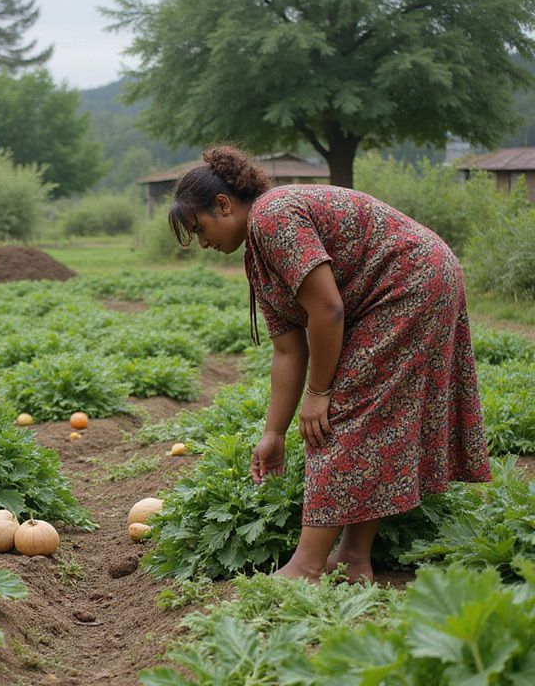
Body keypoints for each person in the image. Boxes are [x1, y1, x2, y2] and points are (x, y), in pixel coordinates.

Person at [169, 146, 491, 582]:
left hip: (411, 280)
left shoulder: (273, 216)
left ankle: (307, 565)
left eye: (200, 228)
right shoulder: (257, 257)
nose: (203, 242)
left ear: (222, 205)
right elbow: (289, 350)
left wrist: (319, 395)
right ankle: (354, 560)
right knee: (363, 418)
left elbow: (328, 311)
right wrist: (273, 433)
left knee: (341, 415)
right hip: (408, 284)